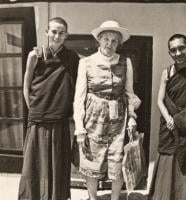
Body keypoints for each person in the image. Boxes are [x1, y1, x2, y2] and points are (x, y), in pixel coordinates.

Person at [73, 20, 141, 200]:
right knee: (91, 161)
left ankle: (115, 198)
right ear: (99, 40)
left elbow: (129, 93)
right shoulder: (86, 63)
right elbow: (79, 98)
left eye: (114, 41)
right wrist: (79, 127)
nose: (109, 44)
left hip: (118, 119)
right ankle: (93, 198)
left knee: (118, 161)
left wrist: (132, 117)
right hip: (93, 118)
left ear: (119, 43)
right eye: (106, 39)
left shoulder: (126, 63)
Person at [18, 17, 79, 200]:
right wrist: (34, 111)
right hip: (38, 118)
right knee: (34, 164)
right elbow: (26, 86)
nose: (57, 36)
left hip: (60, 118)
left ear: (66, 35)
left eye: (61, 33)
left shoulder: (72, 58)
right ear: (46, 32)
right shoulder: (35, 55)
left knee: (57, 164)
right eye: (53, 31)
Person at [149, 34, 186, 200]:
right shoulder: (167, 72)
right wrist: (169, 119)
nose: (178, 53)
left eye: (181, 48)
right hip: (169, 128)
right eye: (173, 50)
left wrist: (178, 120)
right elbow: (160, 100)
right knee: (167, 163)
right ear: (169, 52)